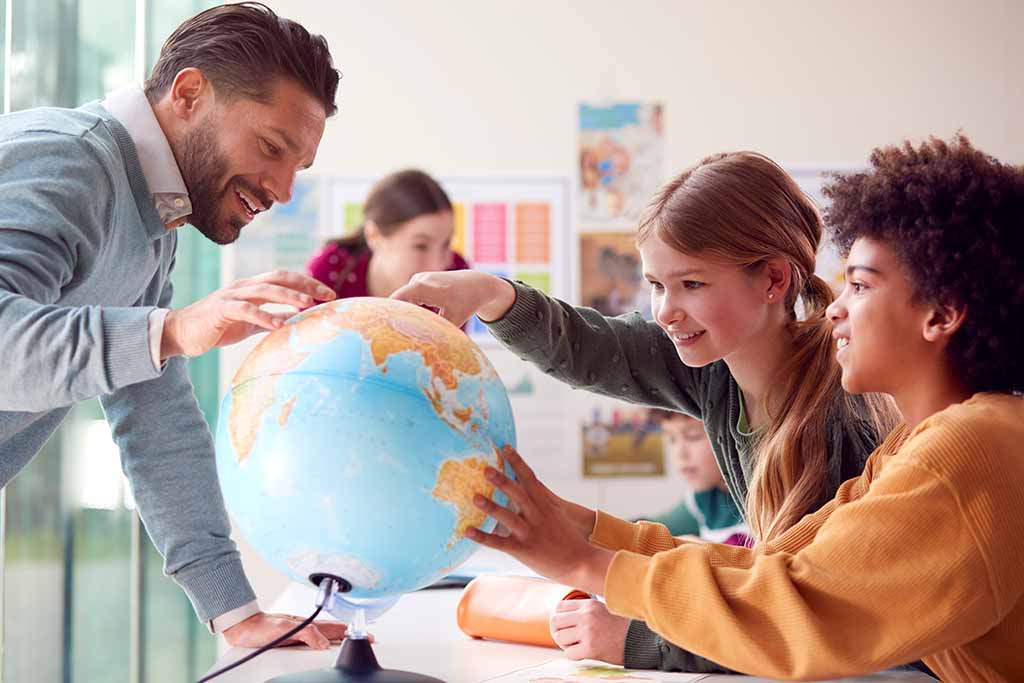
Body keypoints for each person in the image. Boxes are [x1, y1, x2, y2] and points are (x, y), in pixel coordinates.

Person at [466, 135, 1024, 682]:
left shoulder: (966, 449)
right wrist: (582, 529)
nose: (834, 310)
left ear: (941, 314)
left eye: (859, 286)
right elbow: (774, 570)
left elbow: (799, 611)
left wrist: (588, 565)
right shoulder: (923, 445)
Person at [393, 151, 898, 671]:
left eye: (692, 284)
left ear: (773, 279)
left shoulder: (844, 419)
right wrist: (487, 290)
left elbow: (813, 619)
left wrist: (648, 642)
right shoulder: (714, 367)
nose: (665, 310)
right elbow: (587, 348)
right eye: (657, 285)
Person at [0, 3, 348, 649]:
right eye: (272, 148)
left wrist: (233, 608)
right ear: (189, 93)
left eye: (297, 167)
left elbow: (156, 413)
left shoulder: (154, 216)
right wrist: (170, 329)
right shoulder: (66, 163)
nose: (282, 189)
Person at [307, 169, 469, 300]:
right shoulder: (330, 271)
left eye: (446, 243)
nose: (438, 266)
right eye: (420, 246)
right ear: (374, 235)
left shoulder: (455, 274)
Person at [638, 410, 750, 546]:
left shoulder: (770, 498)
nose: (680, 454)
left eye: (693, 437)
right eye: (671, 438)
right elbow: (649, 530)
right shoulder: (701, 499)